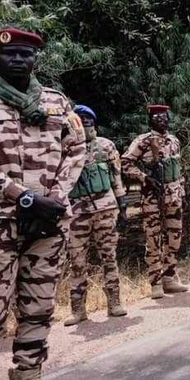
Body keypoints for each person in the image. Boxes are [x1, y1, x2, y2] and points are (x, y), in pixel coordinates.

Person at [0, 28, 86, 379]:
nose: (17, 59)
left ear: (35, 59)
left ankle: (29, 373)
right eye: (9, 53)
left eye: (25, 54)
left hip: (48, 223)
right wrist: (23, 197)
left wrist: (54, 200)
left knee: (39, 308)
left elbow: (76, 152)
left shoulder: (57, 103)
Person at [64, 104, 129, 326]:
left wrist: (123, 207)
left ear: (94, 124)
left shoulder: (106, 146)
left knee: (109, 257)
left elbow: (116, 178)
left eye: (88, 121)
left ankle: (114, 303)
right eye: (80, 121)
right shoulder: (65, 149)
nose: (85, 124)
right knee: (77, 261)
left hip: (105, 209)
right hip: (76, 213)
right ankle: (78, 310)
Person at [122, 104, 188, 299]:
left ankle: (169, 277)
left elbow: (177, 170)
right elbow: (125, 163)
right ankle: (156, 282)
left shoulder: (174, 140)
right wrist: (144, 178)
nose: (161, 120)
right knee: (153, 239)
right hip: (152, 197)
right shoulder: (143, 141)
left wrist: (181, 193)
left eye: (164, 116)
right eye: (157, 117)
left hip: (174, 195)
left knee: (175, 237)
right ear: (150, 120)